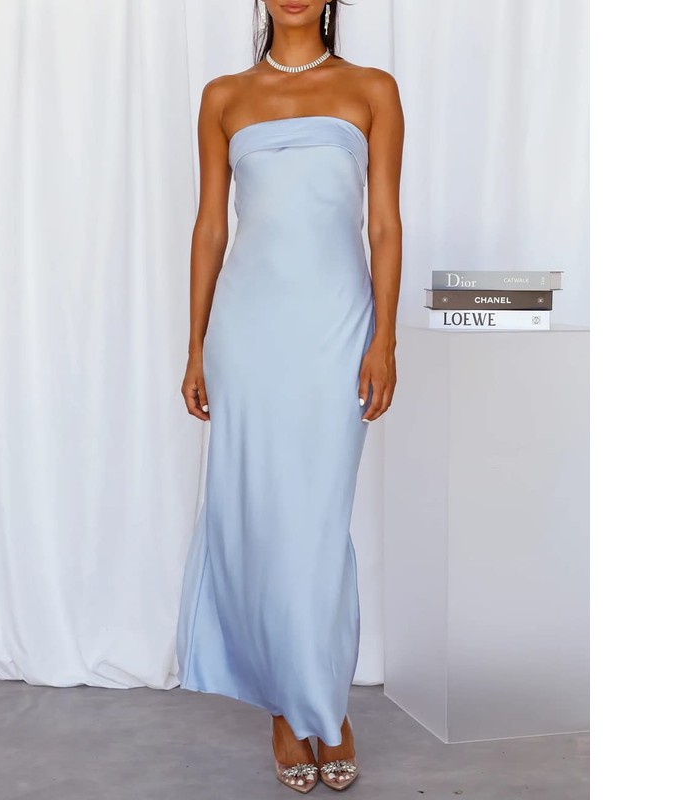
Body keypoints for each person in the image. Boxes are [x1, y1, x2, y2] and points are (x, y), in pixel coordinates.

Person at [176, 0, 403, 792]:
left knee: (316, 524)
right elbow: (211, 227)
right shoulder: (223, 97)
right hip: (248, 333)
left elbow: (384, 225)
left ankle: (322, 703)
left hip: (338, 328)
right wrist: (196, 345)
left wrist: (385, 337)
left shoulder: (372, 89)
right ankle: (288, 707)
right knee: (263, 518)